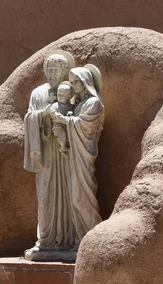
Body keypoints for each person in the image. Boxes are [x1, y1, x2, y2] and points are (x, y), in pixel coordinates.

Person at [24, 51, 77, 260]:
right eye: (50, 70)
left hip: (66, 153)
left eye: (57, 70)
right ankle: (46, 241)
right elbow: (29, 117)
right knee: (45, 193)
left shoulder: (71, 90)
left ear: (64, 71)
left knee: (68, 189)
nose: (53, 73)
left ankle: (71, 238)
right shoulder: (38, 93)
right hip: (45, 150)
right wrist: (44, 114)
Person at [50, 66, 104, 244]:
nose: (73, 85)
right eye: (71, 82)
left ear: (86, 82)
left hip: (84, 155)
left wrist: (62, 119)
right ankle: (82, 240)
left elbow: (84, 126)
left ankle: (94, 239)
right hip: (74, 155)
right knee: (75, 198)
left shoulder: (94, 103)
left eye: (77, 81)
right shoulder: (78, 103)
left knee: (81, 197)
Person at [50, 81, 74, 155]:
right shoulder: (55, 105)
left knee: (69, 136)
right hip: (58, 126)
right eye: (58, 94)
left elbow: (72, 113)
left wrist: (70, 114)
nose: (59, 96)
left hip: (66, 126)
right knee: (63, 135)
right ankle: (62, 148)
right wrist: (55, 114)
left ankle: (66, 146)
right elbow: (52, 111)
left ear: (69, 96)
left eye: (62, 95)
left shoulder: (70, 106)